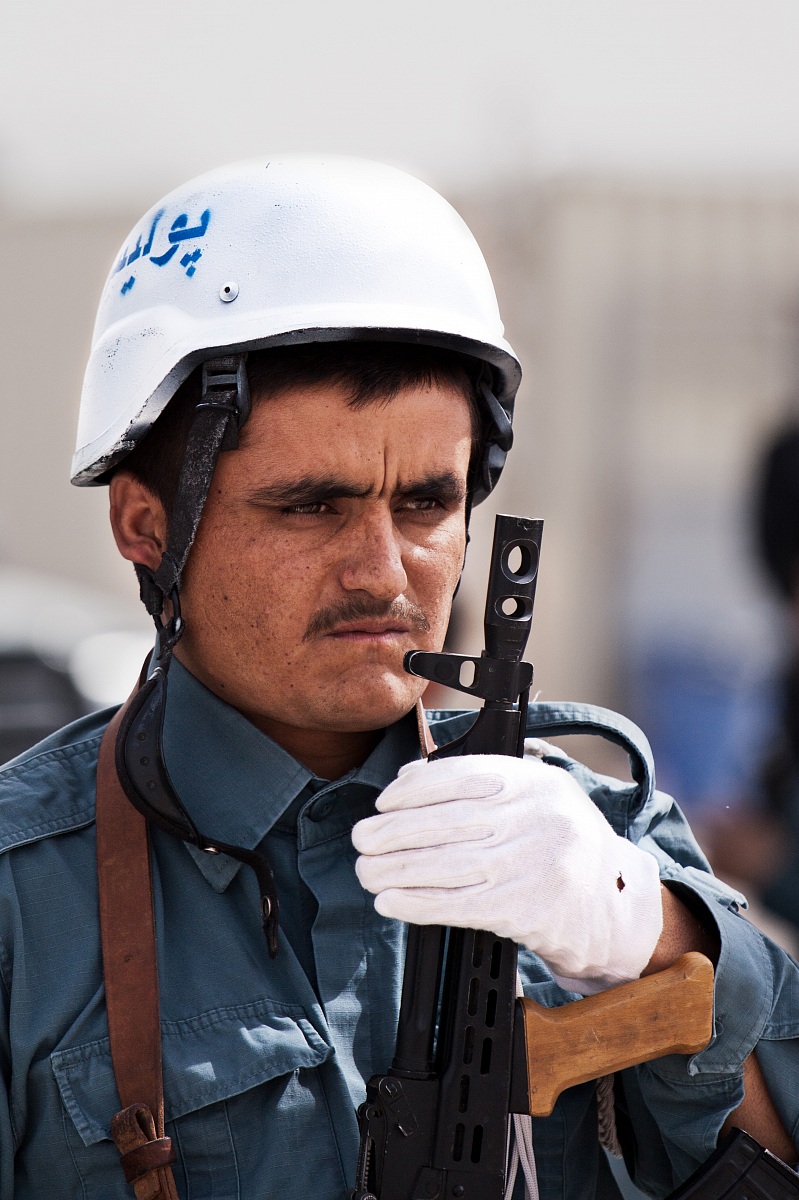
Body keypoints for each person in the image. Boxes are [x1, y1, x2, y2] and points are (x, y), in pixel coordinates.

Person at [0, 157, 797, 1200]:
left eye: (425, 505)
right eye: (310, 507)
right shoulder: (23, 904)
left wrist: (655, 930)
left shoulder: (596, 841)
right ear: (147, 527)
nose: (383, 572)